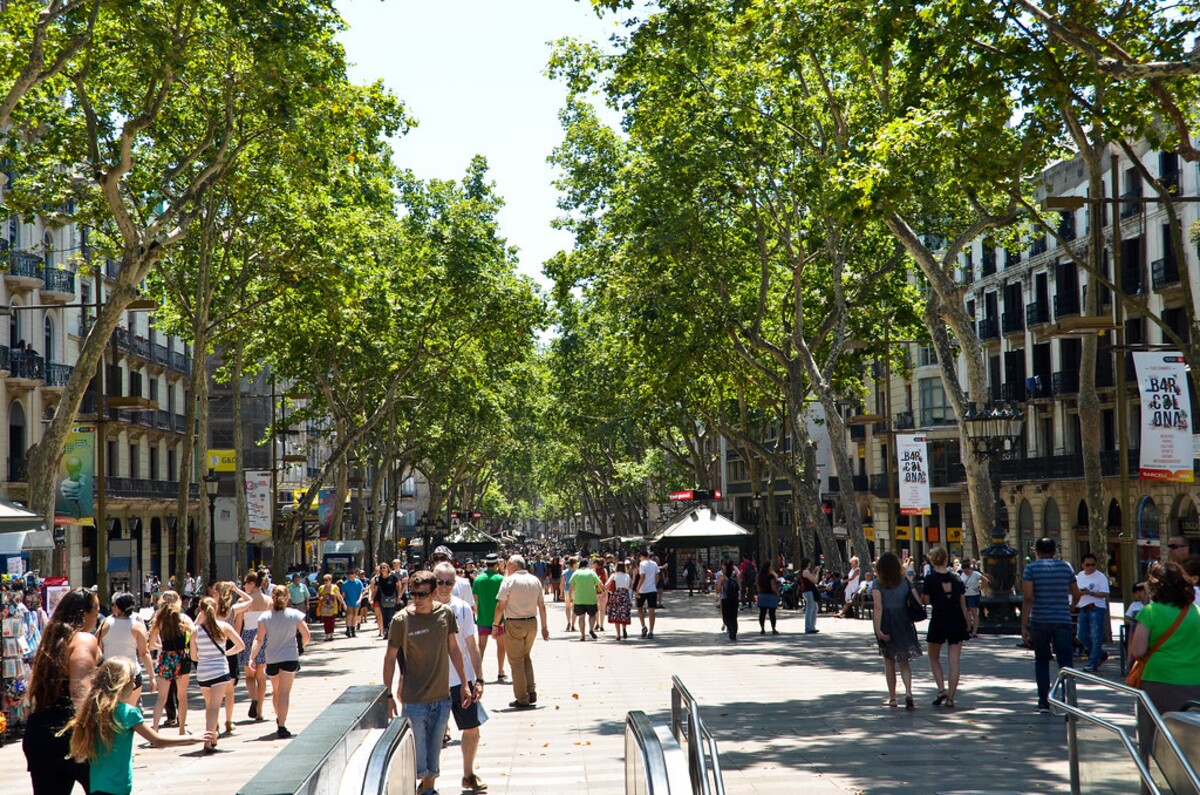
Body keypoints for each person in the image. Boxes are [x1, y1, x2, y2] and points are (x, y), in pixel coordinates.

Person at [63, 658, 210, 795]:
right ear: (122, 683)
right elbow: (158, 740)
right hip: (118, 786)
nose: (134, 684)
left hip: (97, 785)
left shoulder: (93, 711)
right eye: (132, 680)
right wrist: (192, 738)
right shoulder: (128, 713)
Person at [384, 570, 471, 795]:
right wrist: (388, 695)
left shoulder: (446, 614)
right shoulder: (401, 620)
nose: (418, 600)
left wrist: (465, 682)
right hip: (414, 700)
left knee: (434, 753)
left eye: (423, 594)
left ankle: (428, 790)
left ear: (433, 593)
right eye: (414, 594)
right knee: (417, 756)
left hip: (442, 697)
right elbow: (390, 658)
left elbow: (454, 648)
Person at [23, 587, 101, 795]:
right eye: (97, 610)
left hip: (40, 733)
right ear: (84, 614)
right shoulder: (83, 639)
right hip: (71, 732)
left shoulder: (51, 640)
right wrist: (95, 731)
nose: (98, 617)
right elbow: (80, 690)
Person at [1129, 562, 1200, 762]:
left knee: (1154, 736)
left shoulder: (1150, 612)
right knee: (1191, 738)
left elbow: (1137, 650)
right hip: (1196, 681)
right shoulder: (1196, 612)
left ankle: (1153, 786)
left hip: (1158, 681)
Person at [434, 563, 489, 792]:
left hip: (460, 681)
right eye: (440, 582)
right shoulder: (423, 608)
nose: (444, 587)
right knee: (431, 734)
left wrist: (480, 678)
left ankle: (468, 774)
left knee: (472, 728)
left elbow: (471, 644)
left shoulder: (463, 608)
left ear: (455, 584)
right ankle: (427, 781)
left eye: (449, 582)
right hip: (433, 682)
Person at [1021, 537, 1081, 713]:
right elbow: (1076, 594)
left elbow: (1028, 597)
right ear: (1055, 551)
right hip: (1062, 620)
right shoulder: (1066, 567)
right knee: (1065, 662)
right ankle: (1068, 699)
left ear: (1036, 552)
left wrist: (1024, 625)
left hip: (1039, 620)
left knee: (1041, 660)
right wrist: (1070, 608)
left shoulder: (1031, 568)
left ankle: (1043, 701)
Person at [248, 584, 311, 738]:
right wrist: (301, 646)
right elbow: (307, 634)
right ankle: (282, 725)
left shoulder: (264, 617)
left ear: (272, 598)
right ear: (287, 597)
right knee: (285, 692)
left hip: (272, 658)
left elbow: (259, 639)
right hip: (290, 657)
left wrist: (252, 657)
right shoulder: (295, 614)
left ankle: (279, 718)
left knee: (276, 691)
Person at [492, 555, 550, 709]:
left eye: (507, 565)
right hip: (532, 623)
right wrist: (545, 627)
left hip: (514, 624)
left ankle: (522, 697)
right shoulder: (535, 580)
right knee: (526, 657)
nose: (506, 568)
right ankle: (531, 691)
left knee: (516, 661)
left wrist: (495, 625)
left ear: (514, 566)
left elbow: (500, 606)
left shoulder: (509, 581)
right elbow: (542, 606)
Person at [190, 596, 246, 752]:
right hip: (220, 670)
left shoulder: (196, 631)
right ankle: (208, 739)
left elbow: (193, 657)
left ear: (201, 610)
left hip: (203, 672)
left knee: (209, 706)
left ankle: (213, 736)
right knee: (215, 706)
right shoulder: (224, 627)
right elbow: (241, 645)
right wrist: (225, 653)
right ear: (216, 609)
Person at [872, 551, 922, 710]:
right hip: (904, 621)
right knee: (904, 661)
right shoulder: (905, 581)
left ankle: (893, 698)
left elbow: (878, 607)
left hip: (887, 621)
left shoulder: (877, 583)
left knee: (889, 662)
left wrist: (878, 629)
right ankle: (908, 692)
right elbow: (918, 601)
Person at [923, 546, 970, 709]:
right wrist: (968, 622)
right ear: (946, 559)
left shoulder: (930, 579)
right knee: (954, 661)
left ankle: (941, 689)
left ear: (932, 560)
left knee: (933, 657)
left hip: (939, 619)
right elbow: (963, 604)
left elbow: (926, 601)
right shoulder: (957, 579)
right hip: (957, 620)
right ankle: (951, 698)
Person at [97, 592, 155, 706]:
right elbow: (144, 653)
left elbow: (97, 650)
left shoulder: (105, 624)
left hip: (110, 674)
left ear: (117, 607)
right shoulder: (137, 626)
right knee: (129, 711)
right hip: (132, 673)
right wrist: (152, 676)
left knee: (110, 711)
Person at [148, 591, 194, 733]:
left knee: (161, 697)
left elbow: (151, 644)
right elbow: (194, 633)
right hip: (181, 658)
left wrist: (162, 647)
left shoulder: (159, 620)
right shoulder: (183, 618)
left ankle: (155, 729)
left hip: (165, 658)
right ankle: (181, 730)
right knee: (182, 696)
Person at [236, 571, 271, 720]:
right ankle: (260, 710)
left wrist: (236, 638)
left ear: (251, 584)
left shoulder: (242, 602)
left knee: (249, 675)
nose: (244, 586)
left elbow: (238, 624)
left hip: (249, 636)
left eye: (245, 583)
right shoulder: (269, 600)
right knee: (261, 675)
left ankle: (253, 699)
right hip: (264, 637)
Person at [473, 554, 508, 681]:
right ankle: (500, 672)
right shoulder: (500, 579)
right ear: (497, 564)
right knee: (501, 646)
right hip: (498, 620)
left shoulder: (478, 579)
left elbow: (474, 601)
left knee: (481, 646)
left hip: (482, 619)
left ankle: (478, 674)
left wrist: (477, 613)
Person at [1074, 553, 1111, 672]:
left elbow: (1105, 593)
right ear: (1082, 565)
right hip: (1083, 608)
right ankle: (1101, 653)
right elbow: (1074, 591)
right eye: (1087, 565)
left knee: (1096, 636)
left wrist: (1091, 593)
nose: (1090, 567)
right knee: (1081, 635)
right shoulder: (1079, 575)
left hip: (1096, 608)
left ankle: (1092, 662)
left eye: (1093, 565)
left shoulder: (1100, 577)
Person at [569, 557, 604, 641]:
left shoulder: (576, 573)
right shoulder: (591, 573)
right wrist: (603, 592)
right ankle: (591, 629)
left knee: (581, 617)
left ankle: (582, 635)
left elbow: (571, 587)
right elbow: (599, 583)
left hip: (579, 599)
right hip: (591, 598)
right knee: (592, 615)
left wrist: (571, 597)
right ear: (587, 565)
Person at [959, 560, 990, 637]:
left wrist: (980, 588)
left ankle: (974, 631)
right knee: (966, 612)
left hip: (973, 595)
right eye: (964, 571)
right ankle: (968, 627)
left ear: (969, 569)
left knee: (974, 613)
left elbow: (986, 580)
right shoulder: (962, 574)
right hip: (965, 595)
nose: (965, 572)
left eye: (966, 571)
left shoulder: (976, 574)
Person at [634, 550, 660, 639]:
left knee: (639, 608)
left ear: (641, 556)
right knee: (651, 610)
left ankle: (643, 626)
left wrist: (637, 589)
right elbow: (658, 576)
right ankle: (651, 631)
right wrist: (654, 584)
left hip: (642, 590)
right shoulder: (654, 564)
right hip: (652, 589)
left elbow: (642, 576)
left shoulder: (642, 564)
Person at [606, 560, 634, 640]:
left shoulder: (614, 575)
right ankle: (624, 628)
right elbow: (630, 585)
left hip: (615, 595)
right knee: (623, 613)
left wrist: (610, 591)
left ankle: (618, 635)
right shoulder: (627, 575)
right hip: (624, 595)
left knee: (616, 615)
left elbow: (607, 585)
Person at [373, 562, 402, 637]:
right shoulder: (378, 579)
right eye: (381, 568)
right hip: (381, 599)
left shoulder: (393, 577)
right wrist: (372, 598)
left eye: (384, 568)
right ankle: (386, 632)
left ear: (388, 569)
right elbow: (375, 589)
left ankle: (390, 632)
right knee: (384, 616)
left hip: (392, 599)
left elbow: (399, 585)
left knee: (390, 615)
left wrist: (399, 596)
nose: (382, 569)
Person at [316, 573, 345, 642]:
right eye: (325, 580)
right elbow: (318, 595)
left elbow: (339, 596)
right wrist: (321, 597)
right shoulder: (321, 587)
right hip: (324, 607)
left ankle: (331, 634)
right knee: (326, 621)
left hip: (333, 607)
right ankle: (327, 634)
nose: (326, 581)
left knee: (332, 621)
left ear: (331, 580)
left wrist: (343, 604)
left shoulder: (335, 587)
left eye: (328, 580)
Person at [716, 560, 740, 641]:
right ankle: (734, 632)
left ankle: (731, 630)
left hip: (725, 598)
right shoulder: (736, 574)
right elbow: (740, 587)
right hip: (735, 598)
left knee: (726, 617)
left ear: (725, 566)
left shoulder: (722, 576)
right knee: (734, 616)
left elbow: (718, 589)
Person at [757, 561, 781, 635]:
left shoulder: (759, 575)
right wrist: (777, 594)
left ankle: (762, 628)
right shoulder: (771, 576)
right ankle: (773, 628)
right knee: (772, 613)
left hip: (762, 595)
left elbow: (758, 587)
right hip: (770, 595)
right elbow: (773, 587)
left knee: (762, 613)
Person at [341, 568, 365, 637]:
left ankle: (353, 629)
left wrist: (360, 599)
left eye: (353, 576)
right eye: (350, 577)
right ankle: (348, 629)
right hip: (349, 600)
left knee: (355, 615)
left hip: (356, 600)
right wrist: (343, 603)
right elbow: (343, 594)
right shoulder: (346, 583)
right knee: (349, 614)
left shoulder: (358, 582)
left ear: (355, 575)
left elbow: (361, 592)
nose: (352, 578)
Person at [801, 559, 821, 634]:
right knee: (809, 609)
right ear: (807, 564)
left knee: (815, 608)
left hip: (808, 591)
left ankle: (812, 626)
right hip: (808, 591)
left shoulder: (805, 571)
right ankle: (808, 627)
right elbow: (815, 581)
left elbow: (811, 577)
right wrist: (818, 573)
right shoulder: (805, 571)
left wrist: (814, 572)